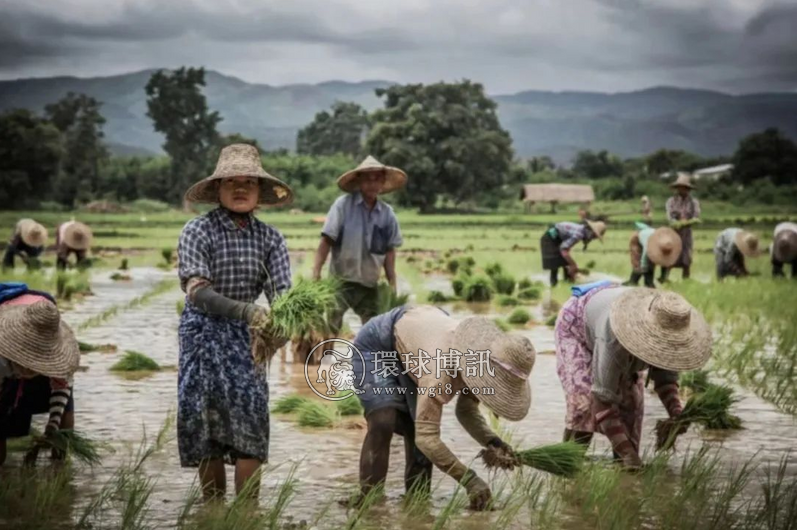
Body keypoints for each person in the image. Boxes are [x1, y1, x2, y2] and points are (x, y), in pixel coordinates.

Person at [177, 144, 294, 501]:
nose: (241, 188)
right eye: (232, 181)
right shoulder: (198, 230)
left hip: (248, 339)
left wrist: (287, 322)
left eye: (249, 182)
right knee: (206, 424)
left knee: (251, 419)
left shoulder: (271, 238)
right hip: (202, 333)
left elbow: (282, 297)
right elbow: (197, 291)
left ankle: (246, 513)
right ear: (218, 189)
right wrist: (245, 311)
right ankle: (213, 510)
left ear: (259, 192)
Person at [349, 305, 535, 510]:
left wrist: (493, 441)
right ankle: (368, 504)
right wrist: (470, 480)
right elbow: (427, 437)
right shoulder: (439, 373)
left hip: (421, 341)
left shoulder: (479, 363)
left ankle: (416, 507)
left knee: (416, 429)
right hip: (379, 345)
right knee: (384, 420)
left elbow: (465, 411)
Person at [555, 283, 711, 469]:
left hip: (612, 311)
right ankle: (567, 465)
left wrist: (677, 414)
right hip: (578, 326)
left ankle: (623, 470)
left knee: (631, 408)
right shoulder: (614, 335)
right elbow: (601, 398)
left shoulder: (671, 333)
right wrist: (627, 453)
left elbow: (665, 379)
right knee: (584, 403)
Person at [312, 156, 406, 333]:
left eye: (377, 178)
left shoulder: (387, 215)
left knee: (373, 331)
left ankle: (367, 361)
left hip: (369, 285)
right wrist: (316, 272)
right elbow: (326, 240)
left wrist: (392, 283)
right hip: (340, 282)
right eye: (367, 178)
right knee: (330, 327)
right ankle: (324, 359)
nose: (372, 183)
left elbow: (389, 251)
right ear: (359, 181)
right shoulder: (342, 206)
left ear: (383, 182)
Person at [0, 283, 80, 466]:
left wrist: (51, 429)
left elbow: (62, 387)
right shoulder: (2, 355)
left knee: (64, 423)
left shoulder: (60, 356)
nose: (30, 371)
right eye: (27, 366)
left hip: (41, 318)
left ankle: (58, 467)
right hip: (14, 320)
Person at [540, 220, 606, 286]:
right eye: (594, 236)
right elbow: (564, 249)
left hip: (557, 239)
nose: (593, 239)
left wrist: (571, 264)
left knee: (565, 262)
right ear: (591, 232)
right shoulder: (578, 234)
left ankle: (568, 282)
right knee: (554, 263)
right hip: (549, 238)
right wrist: (573, 265)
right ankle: (553, 284)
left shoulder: (581, 230)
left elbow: (566, 249)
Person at [660, 173, 700, 282]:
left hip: (687, 234)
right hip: (674, 233)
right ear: (677, 188)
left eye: (685, 188)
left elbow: (696, 216)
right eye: (680, 187)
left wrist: (688, 222)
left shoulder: (693, 202)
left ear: (688, 189)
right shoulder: (671, 201)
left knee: (687, 258)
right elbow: (669, 217)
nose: (682, 189)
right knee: (670, 256)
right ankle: (664, 279)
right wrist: (676, 222)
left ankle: (686, 281)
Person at [626, 223, 682, 288]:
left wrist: (663, 277)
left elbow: (666, 262)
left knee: (651, 262)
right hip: (638, 238)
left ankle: (649, 282)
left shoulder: (665, 242)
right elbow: (645, 255)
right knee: (638, 261)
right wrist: (643, 266)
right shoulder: (648, 242)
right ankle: (634, 281)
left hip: (650, 235)